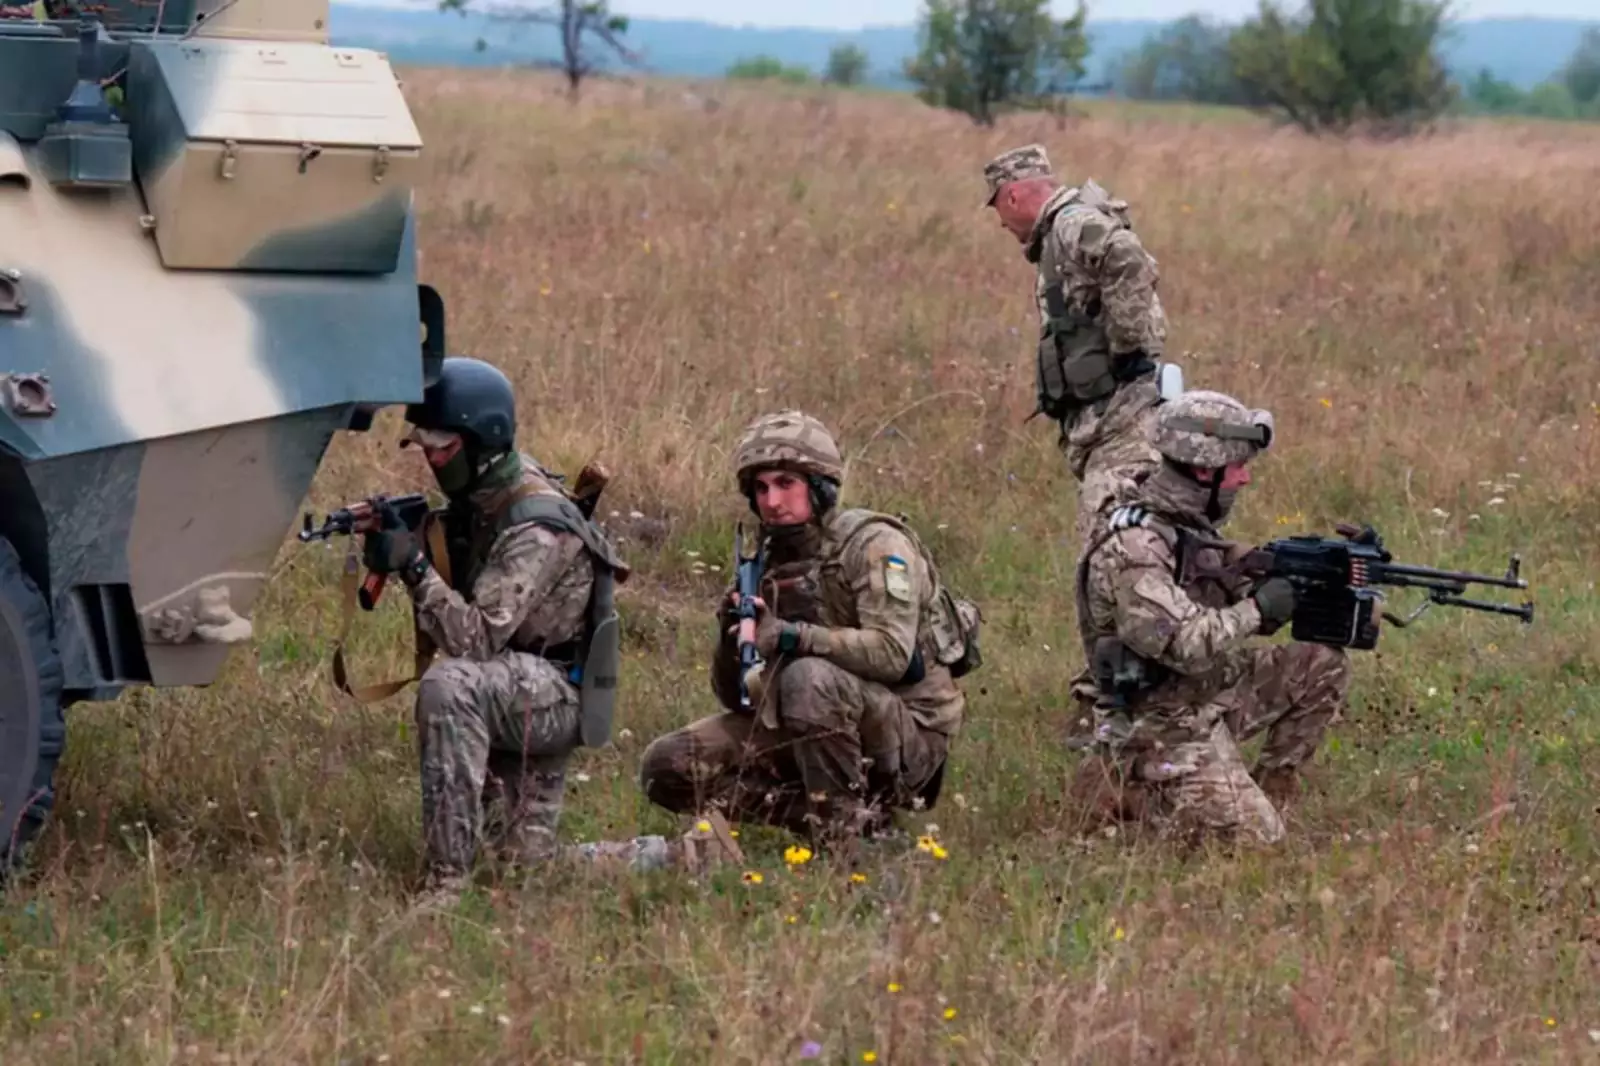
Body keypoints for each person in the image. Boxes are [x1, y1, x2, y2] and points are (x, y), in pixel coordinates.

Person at [360, 356, 710, 905]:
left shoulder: (536, 525)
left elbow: (474, 641)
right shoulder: (481, 495)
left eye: (443, 448)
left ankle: (445, 885)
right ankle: (679, 856)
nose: (432, 460)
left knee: (448, 686)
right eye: (424, 448)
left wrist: (414, 568)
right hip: (515, 683)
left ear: (483, 440)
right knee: (524, 872)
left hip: (553, 691)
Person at [637, 411, 979, 849]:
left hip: (908, 735)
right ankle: (851, 826)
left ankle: (844, 847)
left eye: (785, 484)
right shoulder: (765, 562)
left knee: (807, 678)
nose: (772, 501)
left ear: (818, 487)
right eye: (760, 488)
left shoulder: (873, 544)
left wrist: (793, 636)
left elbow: (894, 653)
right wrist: (731, 637)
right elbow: (737, 699)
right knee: (666, 767)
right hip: (808, 720)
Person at [1069, 390, 1350, 846]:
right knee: (1262, 845)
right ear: (1204, 470)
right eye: (1237, 466)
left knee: (1321, 663)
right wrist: (1258, 609)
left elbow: (1208, 579)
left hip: (1202, 691)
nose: (1244, 478)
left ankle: (1269, 793)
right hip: (1157, 724)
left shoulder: (1179, 517)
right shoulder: (1135, 550)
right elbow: (1187, 640)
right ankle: (1133, 787)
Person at [982, 142, 1172, 551]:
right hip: (1108, 417)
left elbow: (1128, 258)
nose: (1001, 223)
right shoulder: (1061, 233)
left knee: (1113, 550)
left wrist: (1127, 348)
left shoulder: (1071, 223)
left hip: (1123, 417)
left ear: (1012, 195)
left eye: (997, 207)